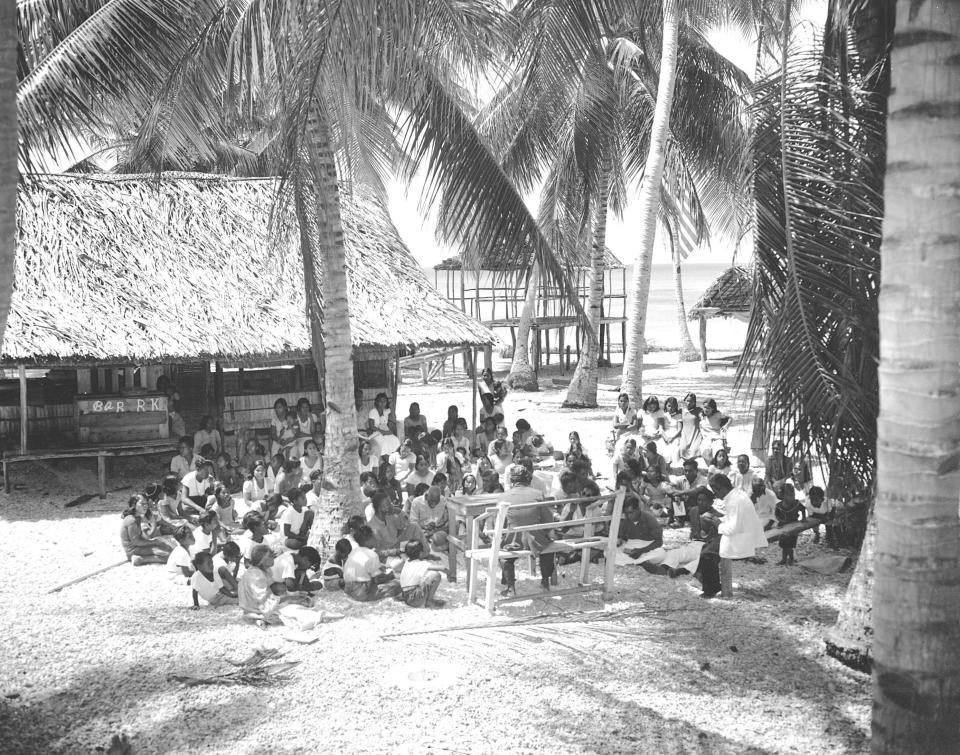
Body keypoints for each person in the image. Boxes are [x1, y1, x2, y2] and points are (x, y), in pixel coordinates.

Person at [238, 544, 343, 628]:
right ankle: (320, 615)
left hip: (264, 601)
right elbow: (264, 600)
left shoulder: (262, 571)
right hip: (255, 608)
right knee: (291, 609)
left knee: (293, 603)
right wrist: (290, 598)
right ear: (264, 560)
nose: (274, 559)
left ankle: (317, 614)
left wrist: (290, 597)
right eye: (271, 557)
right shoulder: (256, 575)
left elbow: (272, 591)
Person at [499, 465, 555, 594]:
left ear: (512, 481)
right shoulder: (538, 494)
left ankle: (510, 586)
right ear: (529, 479)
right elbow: (548, 520)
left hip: (513, 541)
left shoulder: (503, 496)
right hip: (537, 539)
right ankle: (545, 580)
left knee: (503, 553)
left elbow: (501, 524)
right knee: (548, 545)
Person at [709, 474, 768, 562]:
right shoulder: (737, 494)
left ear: (722, 488)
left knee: (708, 553)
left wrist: (718, 524)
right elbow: (734, 519)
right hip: (745, 536)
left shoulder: (735, 501)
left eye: (715, 492)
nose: (715, 495)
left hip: (743, 543)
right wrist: (719, 520)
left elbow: (731, 529)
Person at [342, 525, 402, 602]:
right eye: (374, 537)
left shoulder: (354, 551)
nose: (376, 539)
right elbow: (378, 579)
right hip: (361, 593)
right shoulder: (371, 554)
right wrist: (391, 576)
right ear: (368, 540)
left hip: (348, 588)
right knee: (398, 585)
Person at [120, 495, 173, 565]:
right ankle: (141, 560)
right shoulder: (131, 520)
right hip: (133, 550)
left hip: (137, 547)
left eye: (146, 504)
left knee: (169, 549)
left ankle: (141, 559)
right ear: (134, 505)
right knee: (169, 555)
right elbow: (137, 542)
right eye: (142, 504)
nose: (145, 506)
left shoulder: (137, 517)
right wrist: (155, 542)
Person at [667, 459, 710, 537]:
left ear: (696, 471)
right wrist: (676, 494)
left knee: (699, 496)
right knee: (675, 496)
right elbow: (669, 488)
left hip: (697, 508)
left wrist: (681, 492)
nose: (687, 473)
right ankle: (679, 521)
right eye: (685, 471)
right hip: (685, 507)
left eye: (690, 471)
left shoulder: (702, 479)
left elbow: (697, 490)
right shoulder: (681, 478)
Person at [399, 541, 446, 608]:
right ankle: (429, 602)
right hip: (414, 599)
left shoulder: (407, 561)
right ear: (421, 553)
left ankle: (424, 600)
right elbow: (442, 568)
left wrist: (403, 547)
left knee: (424, 576)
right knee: (436, 575)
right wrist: (450, 574)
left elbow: (402, 553)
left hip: (406, 597)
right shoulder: (421, 564)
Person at [408, 485, 449, 550]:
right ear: (427, 496)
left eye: (436, 501)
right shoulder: (417, 502)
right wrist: (424, 526)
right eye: (432, 501)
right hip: (423, 532)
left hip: (438, 530)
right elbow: (413, 522)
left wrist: (444, 522)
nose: (434, 504)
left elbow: (447, 517)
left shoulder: (443, 500)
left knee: (453, 526)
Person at [775, 483, 803, 565]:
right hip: (784, 528)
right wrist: (781, 521)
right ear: (783, 495)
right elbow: (777, 515)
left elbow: (803, 509)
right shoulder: (779, 506)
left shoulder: (796, 504)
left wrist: (804, 518)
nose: (791, 497)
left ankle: (791, 559)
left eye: (793, 495)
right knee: (784, 545)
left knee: (790, 545)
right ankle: (783, 559)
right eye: (789, 495)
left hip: (794, 527)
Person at [367, 392, 400, 457]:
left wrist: (391, 407)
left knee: (395, 440)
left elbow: (394, 419)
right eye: (380, 401)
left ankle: (394, 459)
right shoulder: (373, 411)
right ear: (376, 402)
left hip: (385, 433)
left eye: (384, 401)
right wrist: (382, 432)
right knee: (384, 443)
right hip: (376, 433)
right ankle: (387, 460)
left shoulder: (386, 411)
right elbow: (371, 426)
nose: (382, 403)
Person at [700, 399, 731, 464]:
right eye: (704, 407)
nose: (706, 409)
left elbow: (730, 419)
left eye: (708, 408)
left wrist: (726, 426)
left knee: (718, 454)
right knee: (705, 454)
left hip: (717, 438)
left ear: (712, 409)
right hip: (706, 439)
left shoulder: (718, 415)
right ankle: (711, 468)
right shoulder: (701, 415)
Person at [661, 397, 684, 469]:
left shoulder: (679, 416)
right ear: (666, 406)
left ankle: (669, 467)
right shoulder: (663, 415)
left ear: (676, 406)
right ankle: (664, 468)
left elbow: (680, 429)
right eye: (669, 406)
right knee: (662, 449)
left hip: (675, 435)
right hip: (665, 435)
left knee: (674, 449)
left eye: (673, 406)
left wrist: (672, 438)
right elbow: (661, 428)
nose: (670, 408)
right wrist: (665, 437)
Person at [679, 393, 703, 460]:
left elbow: (703, 418)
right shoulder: (681, 410)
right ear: (684, 401)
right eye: (687, 401)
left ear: (694, 402)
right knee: (682, 449)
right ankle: (687, 467)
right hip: (685, 434)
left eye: (691, 401)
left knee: (694, 450)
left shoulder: (698, 410)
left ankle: (692, 467)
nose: (689, 403)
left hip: (695, 434)